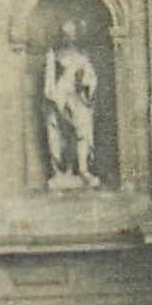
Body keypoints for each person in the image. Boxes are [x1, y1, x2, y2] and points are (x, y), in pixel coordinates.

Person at [42, 19, 101, 187]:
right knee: (64, 135)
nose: (69, 37)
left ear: (76, 35)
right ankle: (64, 171)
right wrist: (53, 96)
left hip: (79, 97)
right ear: (61, 35)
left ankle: (83, 169)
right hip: (60, 98)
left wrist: (87, 85)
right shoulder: (55, 54)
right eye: (65, 33)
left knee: (83, 132)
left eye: (72, 33)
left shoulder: (83, 55)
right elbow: (49, 79)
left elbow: (91, 77)